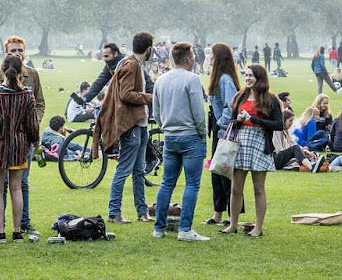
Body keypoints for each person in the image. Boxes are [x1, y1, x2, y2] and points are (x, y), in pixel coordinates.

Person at [0, 35, 46, 238]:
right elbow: (31, 120)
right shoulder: (26, 94)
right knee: (17, 188)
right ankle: (17, 231)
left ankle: (0, 231)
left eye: (19, 50)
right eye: (13, 51)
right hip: (21, 143)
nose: (17, 53)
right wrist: (35, 141)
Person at [93, 31, 154, 225]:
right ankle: (114, 212)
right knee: (124, 170)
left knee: (139, 171)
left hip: (140, 124)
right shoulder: (131, 65)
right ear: (149, 49)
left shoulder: (134, 64)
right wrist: (150, 98)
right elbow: (126, 94)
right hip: (132, 125)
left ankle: (142, 211)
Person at [152, 42, 209, 241]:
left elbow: (156, 112)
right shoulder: (192, 79)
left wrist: (166, 127)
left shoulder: (161, 80)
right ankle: (185, 229)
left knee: (167, 183)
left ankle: (159, 228)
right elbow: (198, 112)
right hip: (191, 135)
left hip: (170, 136)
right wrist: (203, 133)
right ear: (189, 58)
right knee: (192, 184)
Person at [220, 64, 283, 237]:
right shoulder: (240, 97)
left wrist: (255, 120)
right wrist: (239, 120)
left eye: (251, 75)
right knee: (235, 188)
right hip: (240, 144)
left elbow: (279, 124)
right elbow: (232, 123)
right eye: (246, 75)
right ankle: (232, 224)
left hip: (259, 144)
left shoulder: (270, 99)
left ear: (259, 78)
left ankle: (258, 227)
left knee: (258, 189)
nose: (247, 78)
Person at [204, 42, 242, 226]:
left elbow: (232, 105)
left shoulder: (225, 79)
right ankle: (217, 212)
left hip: (225, 132)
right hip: (218, 131)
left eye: (211, 54)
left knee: (225, 172)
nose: (209, 57)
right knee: (216, 171)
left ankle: (230, 214)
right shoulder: (219, 78)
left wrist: (220, 124)